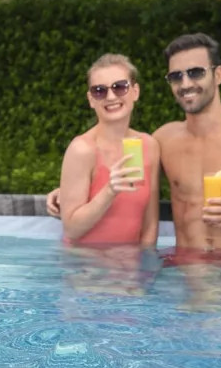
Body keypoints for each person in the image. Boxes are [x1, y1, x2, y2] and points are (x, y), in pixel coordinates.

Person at [47, 33, 221, 261]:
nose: (186, 83)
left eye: (196, 72)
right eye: (176, 76)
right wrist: (67, 191)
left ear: (218, 75)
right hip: (184, 267)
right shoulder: (163, 141)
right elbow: (110, 176)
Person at [59, 53, 160, 248]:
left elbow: (150, 224)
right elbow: (71, 229)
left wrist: (146, 261)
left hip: (129, 262)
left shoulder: (149, 146)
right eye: (99, 91)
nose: (111, 97)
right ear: (91, 99)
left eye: (120, 87)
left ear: (135, 92)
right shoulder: (82, 150)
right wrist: (109, 191)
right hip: (85, 262)